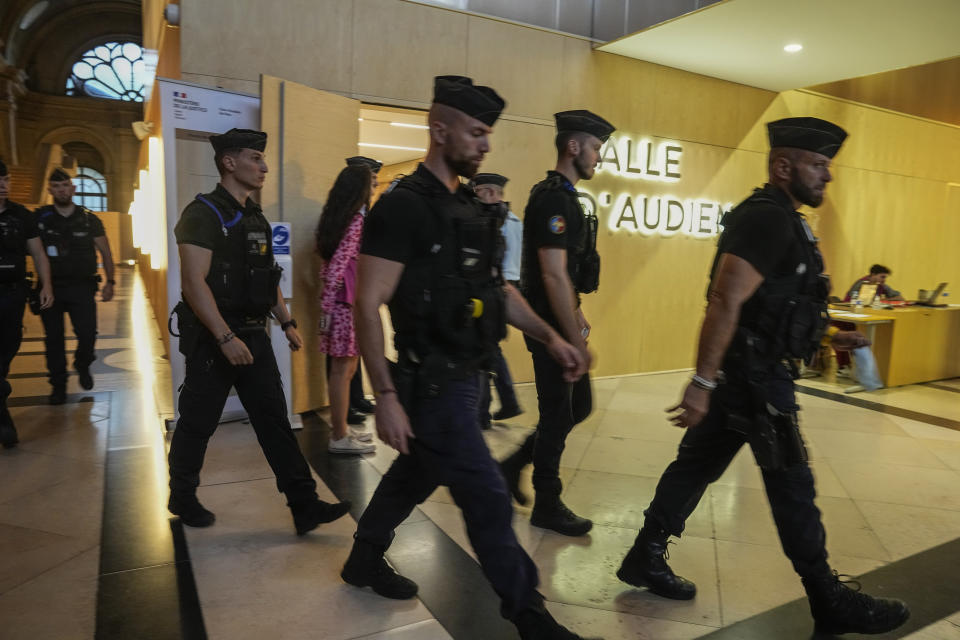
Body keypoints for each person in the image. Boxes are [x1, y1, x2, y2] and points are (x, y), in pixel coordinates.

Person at [616, 117, 909, 636]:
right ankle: (827, 598)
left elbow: (772, 309)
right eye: (819, 165)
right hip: (753, 384)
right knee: (793, 485)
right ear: (782, 166)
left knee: (695, 469)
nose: (828, 176)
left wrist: (825, 338)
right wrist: (702, 382)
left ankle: (645, 555)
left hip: (748, 376)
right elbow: (725, 298)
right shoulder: (767, 218)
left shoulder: (786, 220)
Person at [341, 76, 599, 640]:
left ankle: (362, 558)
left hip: (468, 376)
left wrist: (553, 338)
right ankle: (531, 619)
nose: (486, 145)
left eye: (488, 134)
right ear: (439, 130)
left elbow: (499, 292)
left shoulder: (468, 207)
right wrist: (384, 396)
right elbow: (366, 302)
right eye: (477, 132)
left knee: (414, 475)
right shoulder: (402, 208)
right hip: (429, 384)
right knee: (486, 497)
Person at [167, 128, 350, 534]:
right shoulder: (202, 213)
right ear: (229, 162)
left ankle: (304, 504)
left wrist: (286, 322)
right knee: (198, 421)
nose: (264, 166)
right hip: (216, 339)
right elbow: (194, 283)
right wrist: (224, 337)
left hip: (254, 335)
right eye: (255, 157)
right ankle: (181, 494)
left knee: (274, 421)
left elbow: (268, 280)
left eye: (262, 158)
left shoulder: (256, 218)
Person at [499, 110, 613, 536]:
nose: (599, 157)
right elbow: (551, 274)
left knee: (576, 407)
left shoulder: (563, 197)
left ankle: (511, 465)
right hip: (548, 329)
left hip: (559, 323)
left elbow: (563, 275)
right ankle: (547, 500)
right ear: (573, 146)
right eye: (596, 148)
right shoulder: (555, 199)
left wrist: (578, 316)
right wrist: (572, 340)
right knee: (557, 413)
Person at [35, 168, 115, 405]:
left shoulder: (89, 219)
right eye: (56, 186)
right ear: (50, 189)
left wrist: (110, 281)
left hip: (82, 287)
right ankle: (58, 386)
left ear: (73, 188)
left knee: (88, 334)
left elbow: (106, 252)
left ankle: (83, 363)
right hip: (51, 288)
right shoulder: (40, 219)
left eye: (65, 185)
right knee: (54, 339)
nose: (61, 190)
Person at [317, 165, 376, 454]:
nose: (374, 188)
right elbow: (339, 265)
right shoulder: (355, 220)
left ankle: (341, 428)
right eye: (371, 183)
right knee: (343, 370)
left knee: (346, 369)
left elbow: (328, 264)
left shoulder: (335, 218)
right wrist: (327, 307)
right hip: (344, 303)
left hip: (341, 301)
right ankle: (338, 437)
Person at [0, 160, 54, 447]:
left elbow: (38, 253)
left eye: (6, 179)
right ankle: (3, 416)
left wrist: (46, 284)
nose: (3, 186)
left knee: (7, 350)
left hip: (12, 295)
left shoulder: (21, 215)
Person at [470, 172, 523, 429]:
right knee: (489, 348)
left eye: (477, 190)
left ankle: (485, 411)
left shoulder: (495, 222)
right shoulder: (515, 221)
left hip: (495, 288)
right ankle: (502, 402)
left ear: (490, 193)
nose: (474, 195)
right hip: (509, 287)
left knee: (485, 349)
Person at [343, 155, 383, 420]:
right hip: (346, 291)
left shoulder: (364, 213)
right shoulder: (346, 214)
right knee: (343, 352)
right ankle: (346, 404)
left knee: (355, 348)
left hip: (359, 288)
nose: (375, 186)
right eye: (372, 180)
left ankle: (357, 397)